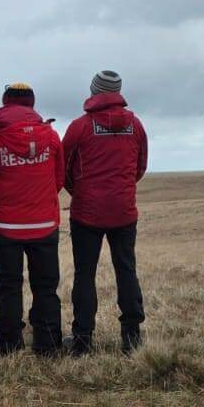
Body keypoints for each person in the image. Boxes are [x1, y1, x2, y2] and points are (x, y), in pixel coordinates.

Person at [63, 70, 148, 354]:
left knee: (85, 274)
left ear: (94, 91)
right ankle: (132, 338)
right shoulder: (136, 126)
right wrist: (121, 190)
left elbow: (64, 168)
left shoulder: (80, 127)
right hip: (124, 212)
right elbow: (140, 167)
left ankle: (82, 339)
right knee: (126, 270)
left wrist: (81, 192)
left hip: (86, 213)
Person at [0, 82, 64, 354]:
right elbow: (58, 179)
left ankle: (9, 343)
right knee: (46, 287)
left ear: (5, 102)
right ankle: (48, 342)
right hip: (44, 224)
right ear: (32, 103)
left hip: (4, 225)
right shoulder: (51, 136)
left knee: (9, 286)